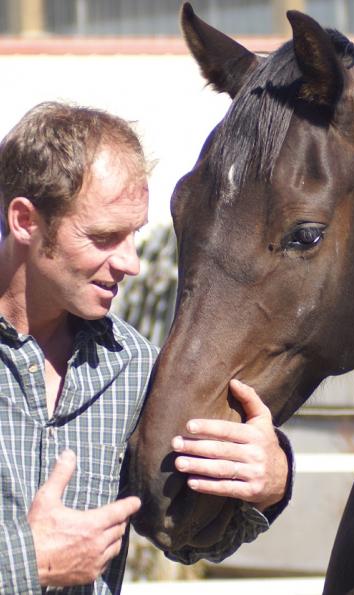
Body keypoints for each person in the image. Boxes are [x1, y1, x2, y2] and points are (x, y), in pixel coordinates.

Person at [0, 102, 291, 593]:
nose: (131, 263)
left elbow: (186, 540)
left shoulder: (133, 367)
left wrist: (268, 480)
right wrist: (25, 561)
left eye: (133, 234)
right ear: (26, 221)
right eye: (104, 237)